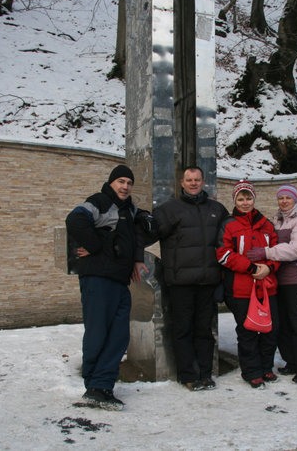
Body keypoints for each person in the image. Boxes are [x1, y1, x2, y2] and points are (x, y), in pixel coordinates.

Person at [65, 164, 151, 411]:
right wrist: (94, 245)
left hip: (119, 280)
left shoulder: (130, 209)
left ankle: (102, 385)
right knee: (98, 332)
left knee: (119, 335)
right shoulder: (100, 201)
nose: (125, 186)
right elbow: (75, 218)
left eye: (129, 183)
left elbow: (137, 235)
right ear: (112, 182)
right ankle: (94, 384)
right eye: (121, 181)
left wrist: (136, 258)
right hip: (98, 279)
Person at [152, 166, 229, 391]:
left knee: (204, 330)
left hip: (208, 281)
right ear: (182, 183)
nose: (193, 183)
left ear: (203, 181)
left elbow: (232, 237)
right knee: (183, 329)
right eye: (189, 180)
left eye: (197, 179)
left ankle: (205, 374)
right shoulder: (169, 210)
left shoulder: (216, 209)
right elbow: (146, 233)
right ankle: (188, 375)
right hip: (181, 282)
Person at [246, 184, 297, 384]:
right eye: (281, 198)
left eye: (288, 197)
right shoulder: (278, 220)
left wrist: (265, 252)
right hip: (280, 278)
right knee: (284, 323)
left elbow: (296, 249)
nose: (284, 201)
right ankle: (292, 361)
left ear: (295, 199)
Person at [216, 180, 280, 388]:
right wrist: (251, 268)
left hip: (267, 286)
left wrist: (269, 267)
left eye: (248, 198)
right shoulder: (228, 224)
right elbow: (223, 254)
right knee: (248, 331)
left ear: (254, 199)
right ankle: (252, 371)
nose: (245, 202)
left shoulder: (267, 225)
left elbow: (278, 252)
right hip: (240, 289)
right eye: (241, 199)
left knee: (270, 329)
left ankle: (266, 367)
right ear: (235, 200)